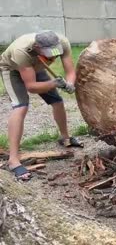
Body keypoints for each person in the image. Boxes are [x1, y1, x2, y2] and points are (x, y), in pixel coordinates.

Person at [0, 31, 82, 181]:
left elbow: (70, 72)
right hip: (13, 70)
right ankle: (13, 160)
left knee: (57, 102)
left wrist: (69, 83)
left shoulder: (62, 42)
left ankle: (65, 138)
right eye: (48, 54)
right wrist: (53, 83)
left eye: (54, 54)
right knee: (21, 106)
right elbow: (31, 86)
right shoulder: (21, 51)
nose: (52, 58)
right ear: (37, 47)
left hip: (36, 68)